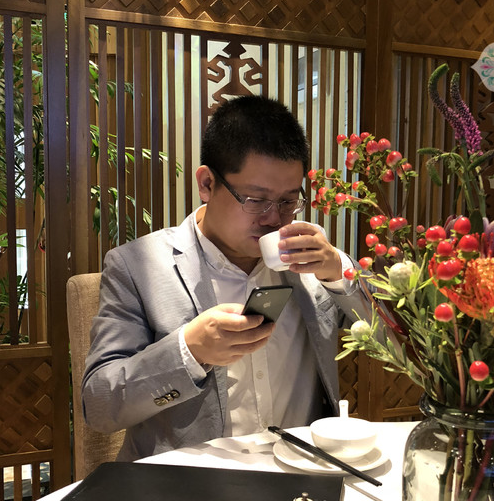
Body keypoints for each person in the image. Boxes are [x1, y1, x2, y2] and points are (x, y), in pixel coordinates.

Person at [81, 95, 367, 462]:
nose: (273, 218)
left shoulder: (313, 263)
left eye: (288, 201)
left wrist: (339, 272)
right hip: (192, 485)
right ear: (206, 183)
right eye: (255, 199)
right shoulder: (136, 267)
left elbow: (395, 336)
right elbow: (100, 405)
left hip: (303, 474)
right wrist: (190, 351)